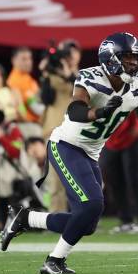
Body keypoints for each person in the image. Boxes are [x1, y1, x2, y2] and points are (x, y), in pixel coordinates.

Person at [0, 32, 138, 274]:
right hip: (65, 145)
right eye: (127, 58)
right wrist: (98, 112)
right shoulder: (91, 76)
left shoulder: (137, 85)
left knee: (87, 222)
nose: (134, 64)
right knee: (91, 206)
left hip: (91, 152)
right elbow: (74, 110)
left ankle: (26, 219)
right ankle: (54, 260)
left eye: (136, 59)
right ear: (110, 58)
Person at [39, 39, 81, 212]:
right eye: (65, 54)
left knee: (80, 177)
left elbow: (81, 90)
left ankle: (84, 216)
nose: (68, 57)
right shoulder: (51, 75)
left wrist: (68, 72)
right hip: (54, 129)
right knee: (55, 179)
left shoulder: (83, 75)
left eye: (71, 53)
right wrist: (45, 74)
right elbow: (46, 98)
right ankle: (56, 217)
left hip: (76, 131)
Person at [7, 47, 44, 124]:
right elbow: (21, 107)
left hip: (37, 121)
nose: (28, 62)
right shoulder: (13, 81)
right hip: (27, 124)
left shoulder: (28, 78)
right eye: (24, 59)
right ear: (14, 60)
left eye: (30, 58)